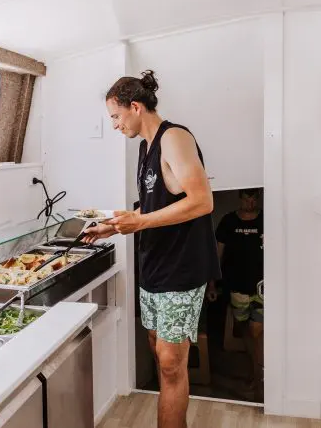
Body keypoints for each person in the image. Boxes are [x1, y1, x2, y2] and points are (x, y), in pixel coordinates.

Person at [83, 70, 221, 428]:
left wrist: (139, 223)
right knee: (158, 351)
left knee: (172, 363)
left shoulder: (174, 137)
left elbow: (203, 201)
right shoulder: (145, 147)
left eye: (115, 116)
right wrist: (113, 225)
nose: (114, 125)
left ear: (135, 107)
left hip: (182, 268)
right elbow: (155, 204)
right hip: (155, 267)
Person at [215, 188, 264, 399]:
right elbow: (218, 253)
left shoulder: (267, 218)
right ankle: (255, 370)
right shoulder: (228, 221)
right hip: (236, 286)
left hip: (262, 286)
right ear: (240, 198)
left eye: (254, 198)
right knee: (245, 329)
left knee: (257, 331)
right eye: (247, 198)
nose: (251, 202)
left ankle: (258, 376)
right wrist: (211, 283)